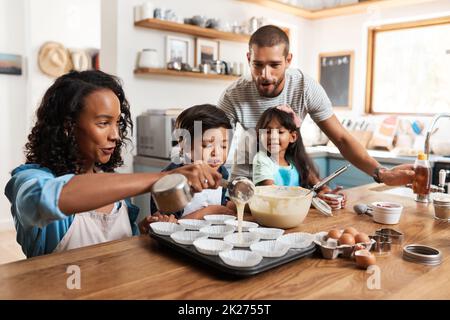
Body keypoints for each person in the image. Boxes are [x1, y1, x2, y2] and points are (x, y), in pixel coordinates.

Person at [4, 70, 221, 258]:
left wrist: (143, 231)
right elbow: (52, 198)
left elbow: (112, 246)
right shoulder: (29, 180)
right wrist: (163, 178)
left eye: (118, 122)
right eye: (103, 123)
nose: (116, 135)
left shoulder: (114, 187)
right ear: (68, 126)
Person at [218, 25, 414, 186]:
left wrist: (382, 173)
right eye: (258, 64)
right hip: (246, 184)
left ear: (288, 61)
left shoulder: (305, 88)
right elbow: (214, 145)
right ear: (248, 59)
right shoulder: (233, 94)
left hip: (288, 185)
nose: (265, 74)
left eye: (274, 65)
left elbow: (342, 139)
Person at [151, 104, 236, 219]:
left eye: (223, 146)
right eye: (207, 145)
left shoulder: (222, 172)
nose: (217, 153)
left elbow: (219, 202)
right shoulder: (172, 180)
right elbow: (165, 225)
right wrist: (206, 213)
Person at [253, 107, 346, 210]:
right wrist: (314, 201)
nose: (272, 137)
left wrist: (328, 195)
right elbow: (271, 195)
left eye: (280, 132)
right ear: (258, 135)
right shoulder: (261, 159)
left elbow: (320, 186)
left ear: (293, 137)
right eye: (267, 132)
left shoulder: (295, 161)